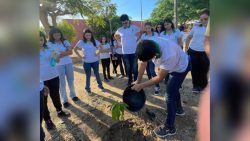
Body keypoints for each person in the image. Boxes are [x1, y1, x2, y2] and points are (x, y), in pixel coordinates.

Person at [132, 37, 191, 137]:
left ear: (154, 55)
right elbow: (143, 62)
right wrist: (138, 80)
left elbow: (159, 77)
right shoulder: (146, 43)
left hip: (181, 68)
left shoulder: (169, 54)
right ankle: (179, 109)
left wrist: (141, 85)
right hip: (173, 66)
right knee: (173, 89)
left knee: (169, 95)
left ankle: (170, 127)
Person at [40, 31, 70, 130]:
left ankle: (59, 111)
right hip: (41, 81)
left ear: (44, 39)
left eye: (41, 39)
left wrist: (55, 57)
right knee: (43, 101)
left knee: (55, 95)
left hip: (53, 76)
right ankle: (47, 120)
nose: (39, 42)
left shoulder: (49, 49)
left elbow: (54, 62)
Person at [48, 28, 78, 108]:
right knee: (62, 83)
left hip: (68, 63)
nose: (58, 36)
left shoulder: (65, 41)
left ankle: (73, 95)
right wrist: (65, 53)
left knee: (71, 80)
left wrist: (60, 53)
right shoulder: (50, 44)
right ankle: (64, 100)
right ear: (52, 35)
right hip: (58, 65)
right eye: (56, 35)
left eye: (59, 34)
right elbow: (54, 56)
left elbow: (71, 52)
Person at [185, 10, 210, 94]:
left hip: (205, 52)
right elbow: (188, 37)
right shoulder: (196, 27)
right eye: (201, 19)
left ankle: (203, 86)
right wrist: (186, 49)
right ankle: (195, 86)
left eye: (205, 19)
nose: (203, 21)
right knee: (194, 70)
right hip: (193, 51)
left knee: (204, 70)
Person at [74, 29, 105, 94]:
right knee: (88, 75)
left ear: (91, 35)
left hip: (95, 61)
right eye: (86, 35)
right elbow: (75, 49)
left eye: (89, 35)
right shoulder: (81, 42)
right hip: (86, 62)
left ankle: (100, 86)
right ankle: (87, 88)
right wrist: (80, 56)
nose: (88, 36)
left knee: (97, 74)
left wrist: (98, 53)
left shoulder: (95, 41)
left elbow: (101, 47)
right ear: (84, 35)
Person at [115, 14, 141, 86]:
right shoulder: (120, 29)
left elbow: (141, 32)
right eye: (123, 22)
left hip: (134, 51)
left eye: (126, 22)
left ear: (128, 20)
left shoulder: (134, 27)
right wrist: (120, 42)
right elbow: (115, 35)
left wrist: (138, 40)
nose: (124, 24)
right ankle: (129, 81)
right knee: (128, 68)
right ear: (121, 22)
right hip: (125, 52)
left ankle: (136, 81)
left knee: (135, 67)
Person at [140, 22, 161, 95]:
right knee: (148, 72)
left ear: (151, 27)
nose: (147, 29)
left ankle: (157, 86)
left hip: (153, 56)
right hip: (145, 56)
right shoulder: (143, 35)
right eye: (146, 28)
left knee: (152, 71)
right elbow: (142, 45)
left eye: (149, 28)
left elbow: (158, 44)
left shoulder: (155, 34)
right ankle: (150, 82)